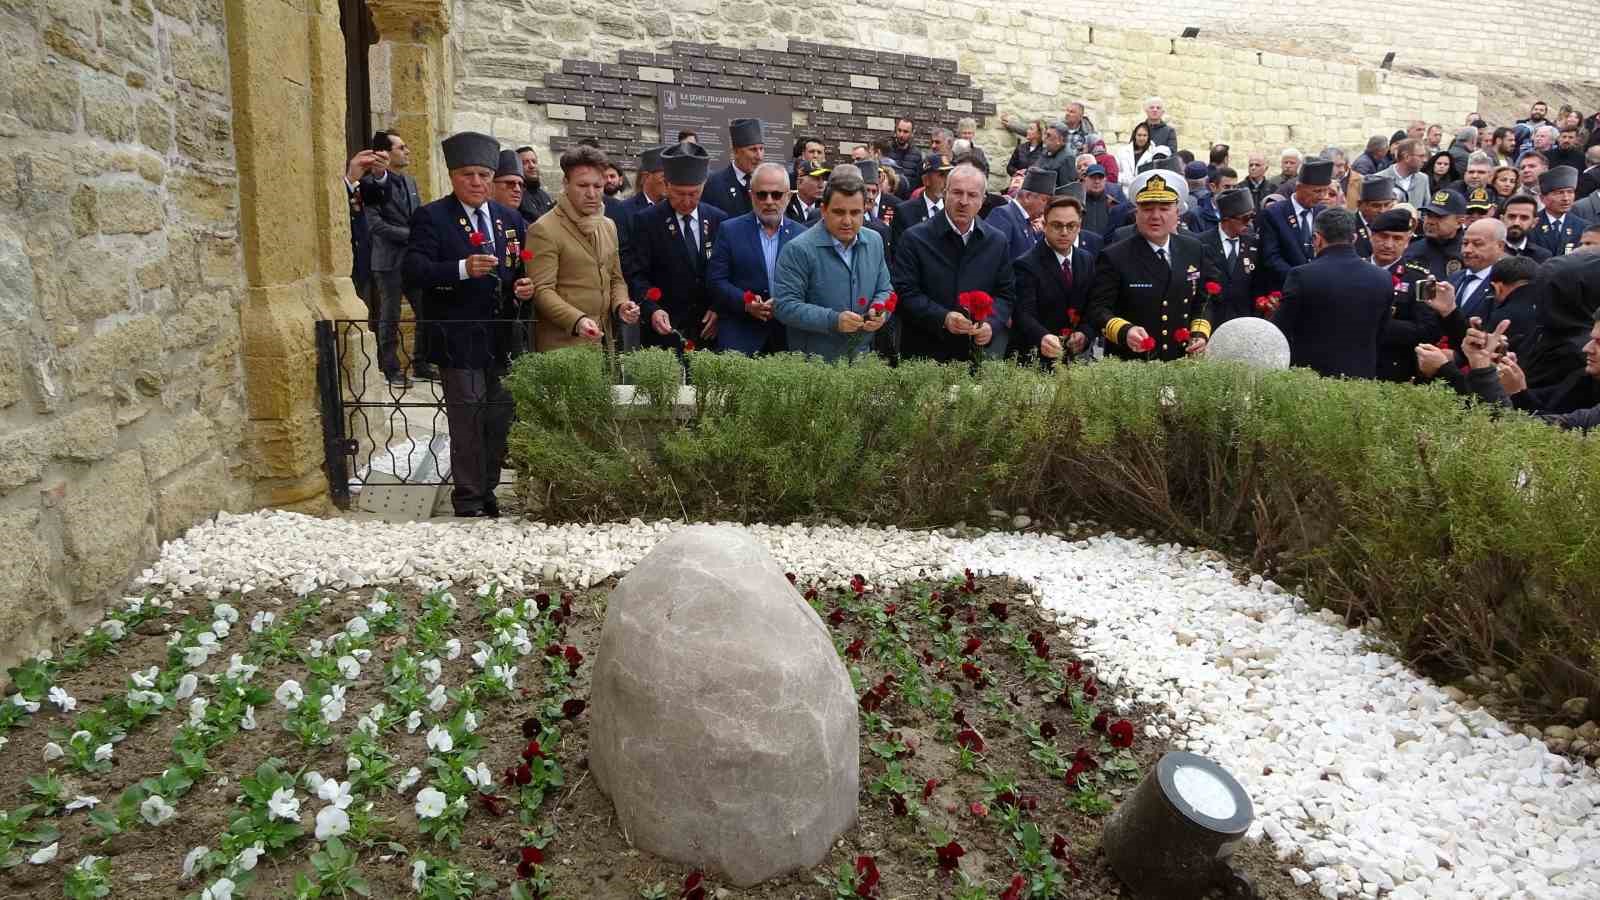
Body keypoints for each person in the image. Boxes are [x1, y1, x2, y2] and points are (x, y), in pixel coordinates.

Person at [402, 131, 534, 518]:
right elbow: (414, 269)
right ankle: (468, 496)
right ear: (453, 176)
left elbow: (520, 266)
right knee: (467, 415)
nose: (476, 183)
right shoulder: (433, 216)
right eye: (467, 175)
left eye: (482, 175)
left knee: (498, 415)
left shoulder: (510, 219)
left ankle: (489, 488)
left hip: (501, 335)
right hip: (458, 334)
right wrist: (461, 269)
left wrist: (524, 287)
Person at [1086, 171, 1218, 361]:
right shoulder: (1114, 256)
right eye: (1147, 208)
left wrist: (1199, 334)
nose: (1155, 216)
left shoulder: (1193, 249)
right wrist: (1125, 331)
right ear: (1136, 212)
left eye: (1164, 208)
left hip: (1181, 361)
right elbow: (1098, 310)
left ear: (1177, 212)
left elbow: (1203, 301)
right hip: (1133, 364)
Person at [891, 164, 1016, 362]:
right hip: (923, 355)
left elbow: (1005, 294)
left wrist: (991, 324)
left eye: (972, 195)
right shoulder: (915, 238)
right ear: (945, 193)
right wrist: (942, 318)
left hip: (973, 356)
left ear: (983, 201)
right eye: (957, 192)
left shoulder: (996, 242)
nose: (964, 202)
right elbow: (904, 292)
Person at [527, 143, 640, 355]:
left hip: (604, 344)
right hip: (562, 347)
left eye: (597, 187)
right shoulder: (543, 229)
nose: (591, 194)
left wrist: (621, 305)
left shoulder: (608, 225)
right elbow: (542, 291)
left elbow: (616, 279)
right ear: (566, 184)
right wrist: (577, 320)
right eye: (582, 186)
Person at [771, 166, 892, 362]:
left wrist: (880, 310)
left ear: (865, 211)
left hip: (862, 362)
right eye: (839, 212)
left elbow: (885, 289)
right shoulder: (798, 249)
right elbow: (784, 306)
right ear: (824, 210)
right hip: (814, 366)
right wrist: (833, 320)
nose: (847, 221)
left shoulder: (874, 241)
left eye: (855, 213)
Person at [628, 141, 728, 351]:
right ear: (667, 185)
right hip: (665, 329)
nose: (686, 201)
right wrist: (651, 309)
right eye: (679, 193)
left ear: (703, 186)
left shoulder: (717, 219)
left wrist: (719, 308)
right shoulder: (647, 221)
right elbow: (637, 275)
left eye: (694, 194)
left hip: (708, 329)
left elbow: (726, 271)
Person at [1271, 209, 1391, 379]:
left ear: (1317, 239)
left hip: (1311, 380)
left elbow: (1280, 329)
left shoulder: (1302, 275)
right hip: (1361, 382)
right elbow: (1381, 332)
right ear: (1355, 238)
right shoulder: (1382, 277)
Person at [706, 161, 805, 356]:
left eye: (776, 195)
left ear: (788, 196)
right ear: (751, 196)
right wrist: (746, 302)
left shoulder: (802, 235)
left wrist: (786, 301)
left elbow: (810, 283)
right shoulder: (730, 230)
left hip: (788, 337)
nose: (769, 201)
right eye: (762, 194)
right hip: (740, 335)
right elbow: (715, 280)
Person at [364, 130, 426, 387]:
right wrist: (409, 235)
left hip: (413, 260)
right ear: (385, 154)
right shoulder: (369, 184)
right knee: (390, 315)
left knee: (425, 310)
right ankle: (390, 368)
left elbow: (419, 215)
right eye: (401, 147)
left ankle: (422, 363)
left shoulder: (410, 182)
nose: (407, 151)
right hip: (388, 261)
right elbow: (374, 224)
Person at [1014, 194, 1096, 367]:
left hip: (1075, 359)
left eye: (1071, 226)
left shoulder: (1086, 260)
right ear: (1044, 225)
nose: (1064, 232)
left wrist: (1085, 333)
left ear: (1079, 227)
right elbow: (1022, 313)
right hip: (1036, 360)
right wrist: (1042, 336)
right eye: (1057, 225)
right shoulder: (1026, 263)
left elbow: (1092, 306)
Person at [1365, 209, 1440, 382]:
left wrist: (1379, 324)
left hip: (1396, 371)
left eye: (1397, 238)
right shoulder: (1352, 271)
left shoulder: (1425, 280)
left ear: (1407, 242)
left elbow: (1430, 330)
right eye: (1383, 236)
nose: (1389, 244)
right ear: (1371, 236)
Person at [1258, 158, 1333, 291]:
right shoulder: (1274, 214)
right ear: (1299, 188)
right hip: (1287, 288)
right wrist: (1299, 279)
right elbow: (1271, 257)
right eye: (1317, 191)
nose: (1322, 196)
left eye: (1325, 191)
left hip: (1320, 288)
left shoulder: (1324, 214)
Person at [1197, 188, 1262, 325]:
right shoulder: (1201, 243)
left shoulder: (1254, 243)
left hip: (1244, 319)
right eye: (1245, 218)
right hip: (1212, 318)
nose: (1249, 223)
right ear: (1226, 219)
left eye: (1252, 217)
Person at [985, 168, 1053, 261]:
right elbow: (994, 258)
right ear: (1028, 197)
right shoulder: (1003, 215)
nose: (1047, 207)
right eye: (1045, 200)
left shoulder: (1027, 222)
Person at [704, 118, 765, 218]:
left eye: (761, 149)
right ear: (736, 152)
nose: (759, 156)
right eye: (753, 149)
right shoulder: (714, 184)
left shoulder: (768, 183)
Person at [890, 155, 950, 256]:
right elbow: (899, 252)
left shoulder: (953, 210)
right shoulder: (905, 211)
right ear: (926, 180)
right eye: (941, 175)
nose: (946, 181)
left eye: (949, 175)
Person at [1403, 189, 1467, 280]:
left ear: (1459, 222)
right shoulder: (1411, 248)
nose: (1430, 221)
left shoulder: (1468, 253)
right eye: (1428, 215)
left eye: (1439, 217)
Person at [1533, 166, 1587, 257]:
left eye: (1570, 192)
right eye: (1559, 193)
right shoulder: (1533, 224)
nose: (1566, 198)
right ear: (1542, 198)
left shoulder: (1583, 227)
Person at [1376, 139, 1430, 208]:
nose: (1425, 160)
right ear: (1407, 157)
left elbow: (1426, 209)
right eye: (1421, 156)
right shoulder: (1379, 179)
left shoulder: (1423, 179)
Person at [1352, 176, 1396, 258]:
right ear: (1360, 205)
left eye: (1387, 205)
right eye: (1376, 206)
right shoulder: (1349, 227)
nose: (1382, 211)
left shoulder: (1395, 226)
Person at [1501, 195, 1554, 261]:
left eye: (1524, 218)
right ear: (1502, 219)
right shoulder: (1489, 251)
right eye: (1511, 217)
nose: (1516, 223)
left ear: (1534, 222)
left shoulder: (1543, 256)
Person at [1114, 123, 1165, 188]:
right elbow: (1115, 172)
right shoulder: (1123, 151)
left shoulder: (1154, 153)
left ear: (1148, 137)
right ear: (1135, 135)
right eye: (1139, 135)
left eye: (1144, 135)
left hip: (1144, 192)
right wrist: (1128, 179)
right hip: (1124, 192)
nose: (1141, 138)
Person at [885, 117, 924, 200]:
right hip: (888, 199)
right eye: (899, 130)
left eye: (905, 132)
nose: (901, 135)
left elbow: (919, 183)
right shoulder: (886, 150)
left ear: (912, 133)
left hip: (907, 201)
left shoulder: (917, 155)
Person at [515, 146, 555, 223]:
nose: (532, 166)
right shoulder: (516, 196)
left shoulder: (544, 195)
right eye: (525, 162)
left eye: (534, 161)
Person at [1034, 122, 1078, 190]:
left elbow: (1065, 189)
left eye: (1048, 135)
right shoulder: (1046, 151)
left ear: (1060, 140)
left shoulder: (1067, 158)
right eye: (1045, 134)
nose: (1044, 138)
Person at [786, 158, 826, 224]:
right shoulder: (786, 207)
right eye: (816, 179)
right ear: (800, 182)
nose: (821, 185)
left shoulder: (827, 209)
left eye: (823, 179)